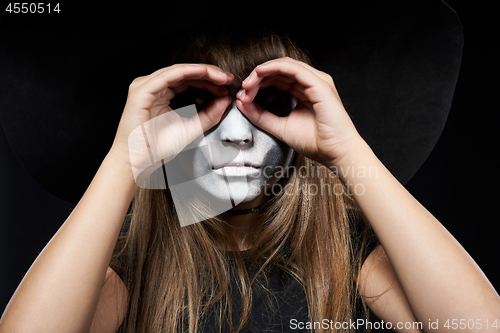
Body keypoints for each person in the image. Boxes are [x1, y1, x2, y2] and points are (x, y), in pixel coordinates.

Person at [1, 21, 499, 333]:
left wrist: (347, 150)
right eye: (201, 103)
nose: (237, 135)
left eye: (271, 101)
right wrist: (127, 160)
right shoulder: (129, 270)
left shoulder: (352, 257)